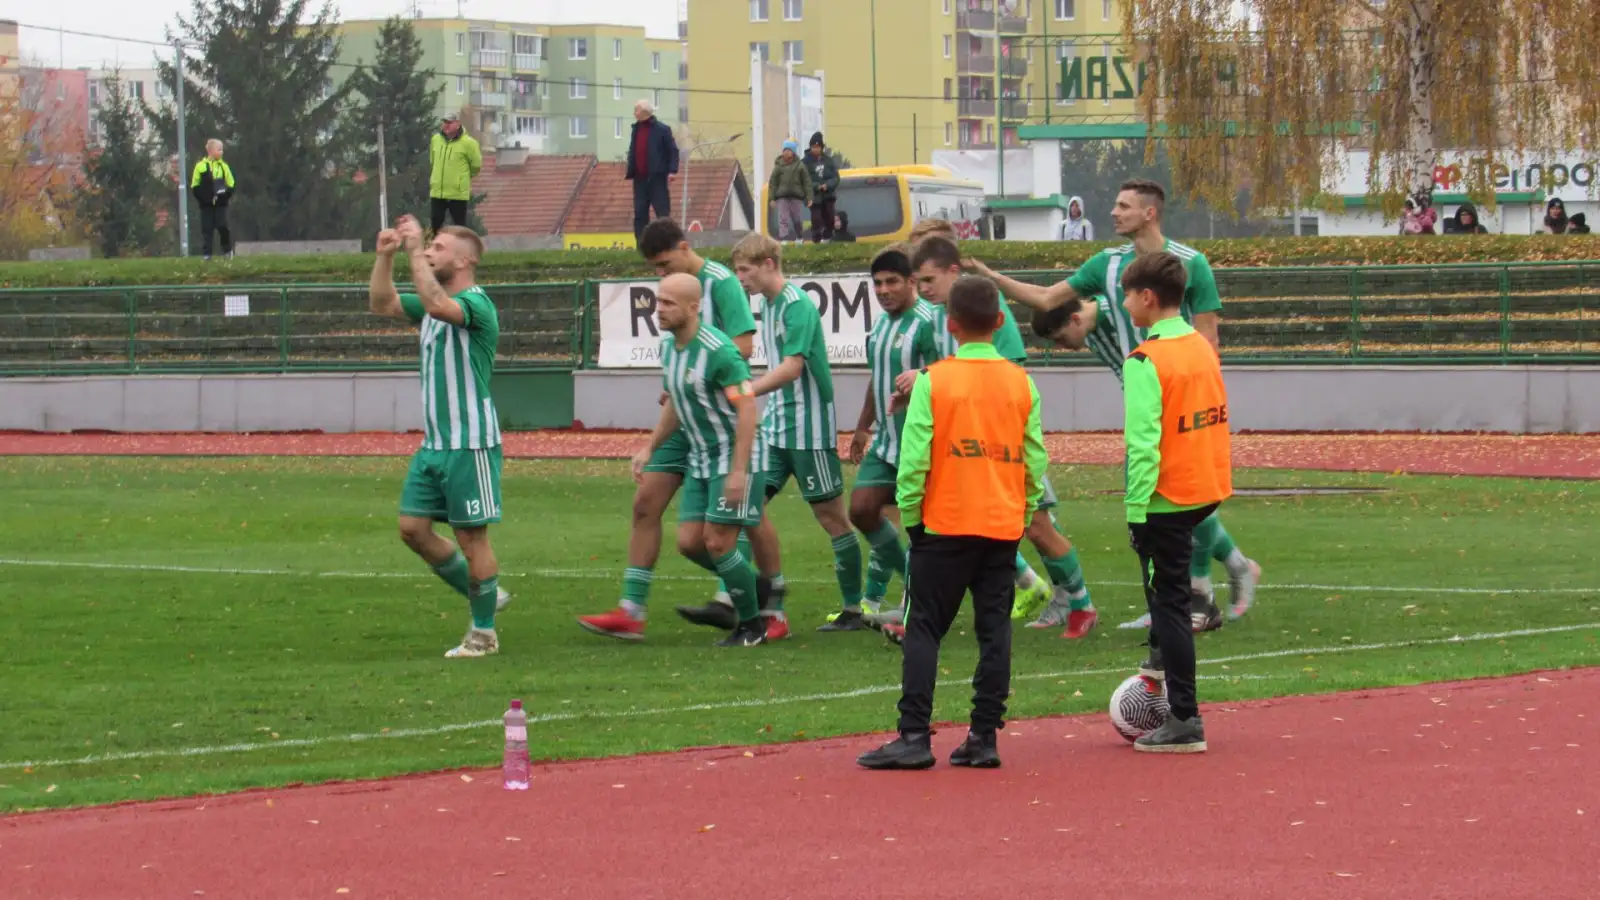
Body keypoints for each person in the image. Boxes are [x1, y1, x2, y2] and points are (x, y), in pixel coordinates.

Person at [971, 178, 1260, 631]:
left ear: (1150, 213)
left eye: (1124, 205)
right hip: (1144, 398)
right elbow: (1048, 298)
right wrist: (993, 279)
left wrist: (1204, 396)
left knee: (1183, 495)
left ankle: (1200, 591)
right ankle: (1200, 588)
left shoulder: (1192, 264)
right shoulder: (1105, 265)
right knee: (1164, 497)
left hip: (1183, 401)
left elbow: (1208, 337)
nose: (1114, 212)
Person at [856, 275, 1048, 770]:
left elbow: (915, 460)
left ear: (951, 324)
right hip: (1001, 525)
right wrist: (1022, 513)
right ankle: (984, 737)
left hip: (944, 524)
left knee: (922, 627)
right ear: (1001, 322)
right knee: (993, 632)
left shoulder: (934, 380)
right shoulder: (1021, 382)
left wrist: (915, 520)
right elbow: (1034, 460)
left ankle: (914, 735)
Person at [899, 236, 1096, 638]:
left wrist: (929, 378)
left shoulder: (988, 308)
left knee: (1036, 526)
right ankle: (1055, 597)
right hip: (975, 437)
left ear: (955, 271)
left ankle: (1080, 603)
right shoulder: (941, 314)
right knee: (1003, 528)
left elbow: (1007, 368)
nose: (923, 288)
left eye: (930, 279)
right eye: (918, 281)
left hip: (1001, 439)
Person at [577, 218, 762, 641]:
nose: (661, 276)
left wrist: (700, 368)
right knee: (649, 506)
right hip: (687, 419)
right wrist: (679, 385)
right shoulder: (668, 337)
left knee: (735, 522)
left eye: (665, 265)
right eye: (656, 274)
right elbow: (678, 382)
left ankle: (750, 597)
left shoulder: (721, 284)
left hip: (722, 420)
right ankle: (632, 610)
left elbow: (745, 349)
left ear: (684, 246)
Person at [676, 232, 861, 639]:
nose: (740, 279)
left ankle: (853, 607)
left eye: (745, 270)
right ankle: (770, 606)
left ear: (768, 265)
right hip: (777, 427)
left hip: (809, 429)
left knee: (832, 518)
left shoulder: (797, 306)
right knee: (747, 509)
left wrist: (746, 390)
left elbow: (794, 367)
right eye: (737, 270)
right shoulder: (770, 306)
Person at [367, 216, 509, 658]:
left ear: (465, 261)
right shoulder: (432, 304)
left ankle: (483, 634)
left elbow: (435, 305)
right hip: (434, 445)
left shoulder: (476, 305)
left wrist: (412, 251)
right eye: (430, 247)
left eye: (439, 248)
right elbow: (382, 303)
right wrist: (384, 256)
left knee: (473, 540)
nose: (430, 252)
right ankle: (489, 595)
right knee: (412, 528)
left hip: (471, 444)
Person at [1119, 251, 1233, 753]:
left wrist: (1135, 511)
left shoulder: (1146, 359)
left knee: (1168, 605)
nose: (1123, 305)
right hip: (1202, 485)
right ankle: (1160, 677)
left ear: (1147, 297)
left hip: (1165, 496)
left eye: (1127, 295)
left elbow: (1142, 445)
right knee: (1172, 596)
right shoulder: (1200, 346)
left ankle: (1184, 718)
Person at [629, 272, 769, 648]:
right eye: (658, 301)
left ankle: (753, 627)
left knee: (719, 541)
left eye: (668, 303)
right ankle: (754, 586)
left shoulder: (719, 351)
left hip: (732, 454)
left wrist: (739, 471)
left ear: (694, 308)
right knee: (690, 543)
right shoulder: (668, 348)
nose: (659, 310)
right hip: (701, 457)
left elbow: (748, 407)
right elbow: (676, 400)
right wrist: (650, 447)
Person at [834, 248, 940, 631]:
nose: (883, 289)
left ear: (912, 282)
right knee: (861, 510)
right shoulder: (879, 327)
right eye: (877, 283)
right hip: (886, 440)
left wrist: (925, 374)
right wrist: (863, 425)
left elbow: (951, 369)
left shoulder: (929, 322)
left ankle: (920, 598)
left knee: (925, 526)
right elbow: (877, 378)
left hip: (922, 442)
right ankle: (912, 581)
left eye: (892, 281)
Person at [626, 100, 679, 240]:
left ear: (644, 112)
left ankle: (668, 242)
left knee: (662, 213)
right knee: (640, 214)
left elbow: (673, 151)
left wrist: (672, 170)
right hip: (640, 178)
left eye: (636, 110)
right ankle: (641, 245)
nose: (634, 113)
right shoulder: (636, 129)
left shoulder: (661, 129)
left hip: (657, 177)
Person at [429, 114, 483, 234]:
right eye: (444, 122)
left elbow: (476, 165)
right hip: (438, 191)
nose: (446, 125)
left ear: (458, 124)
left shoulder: (469, 143)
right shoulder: (435, 139)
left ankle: (461, 251)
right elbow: (433, 161)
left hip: (457, 193)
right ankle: (434, 251)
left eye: (450, 122)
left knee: (460, 227)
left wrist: (461, 178)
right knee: (435, 225)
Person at [190, 139, 235, 261]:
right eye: (219, 149)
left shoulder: (224, 166)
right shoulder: (200, 166)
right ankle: (207, 255)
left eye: (222, 149)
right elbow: (195, 185)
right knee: (207, 230)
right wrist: (203, 199)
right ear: (210, 151)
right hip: (206, 206)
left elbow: (231, 183)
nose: (221, 152)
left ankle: (227, 251)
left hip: (221, 205)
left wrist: (225, 197)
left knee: (223, 227)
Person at [768, 141, 813, 242]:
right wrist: (772, 198)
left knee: (796, 219)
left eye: (789, 150)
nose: (786, 152)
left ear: (793, 152)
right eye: (785, 150)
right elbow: (773, 183)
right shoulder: (778, 166)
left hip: (796, 196)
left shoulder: (800, 166)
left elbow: (806, 182)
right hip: (782, 197)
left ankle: (800, 236)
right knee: (783, 218)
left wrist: (809, 197)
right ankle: (784, 238)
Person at [805, 132, 841, 243]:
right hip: (814, 197)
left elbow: (836, 177)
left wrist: (828, 185)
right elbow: (803, 180)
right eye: (813, 147)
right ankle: (816, 240)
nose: (815, 149)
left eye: (818, 147)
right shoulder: (805, 162)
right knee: (816, 219)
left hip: (828, 195)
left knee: (830, 218)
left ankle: (827, 238)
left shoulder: (828, 161)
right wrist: (817, 186)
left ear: (821, 147)